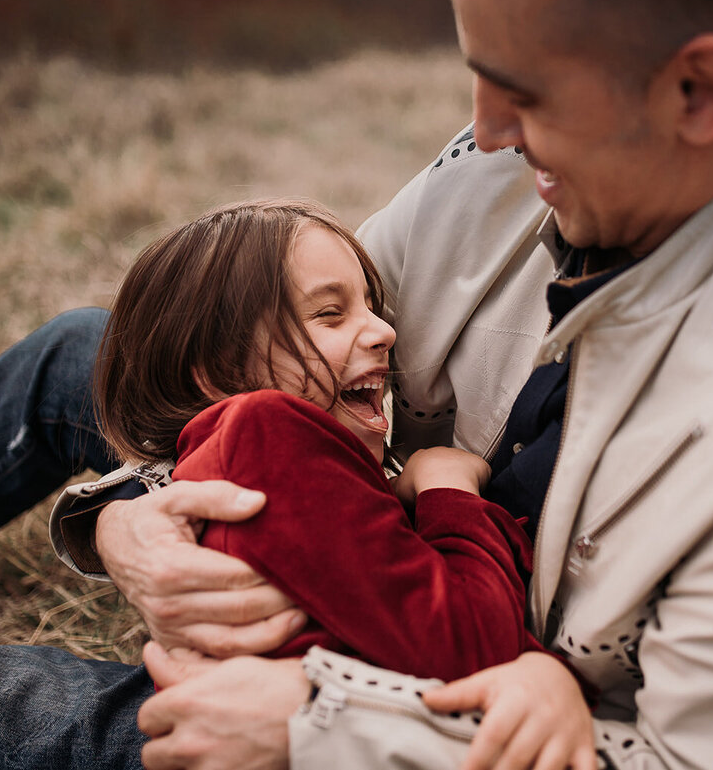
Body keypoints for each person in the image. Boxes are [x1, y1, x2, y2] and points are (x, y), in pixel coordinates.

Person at [0, 0, 713, 768]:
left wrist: (320, 729)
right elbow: (276, 363)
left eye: (517, 91)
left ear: (696, 92)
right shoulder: (513, 152)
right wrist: (128, 515)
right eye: (478, 77)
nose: (483, 130)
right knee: (81, 349)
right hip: (370, 518)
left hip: (419, 701)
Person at [90, 197, 543, 681]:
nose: (385, 330)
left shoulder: (257, 455)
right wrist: (447, 491)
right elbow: (476, 649)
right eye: (330, 313)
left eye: (371, 306)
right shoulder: (265, 430)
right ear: (221, 372)